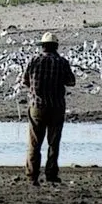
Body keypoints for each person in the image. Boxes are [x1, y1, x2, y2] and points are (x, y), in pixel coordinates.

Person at [22, 32, 76, 186]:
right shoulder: (62, 62)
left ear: (43, 46)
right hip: (56, 107)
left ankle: (32, 176)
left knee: (34, 143)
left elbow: (25, 81)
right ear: (56, 46)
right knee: (53, 142)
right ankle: (51, 174)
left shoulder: (34, 61)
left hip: (37, 107)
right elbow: (71, 82)